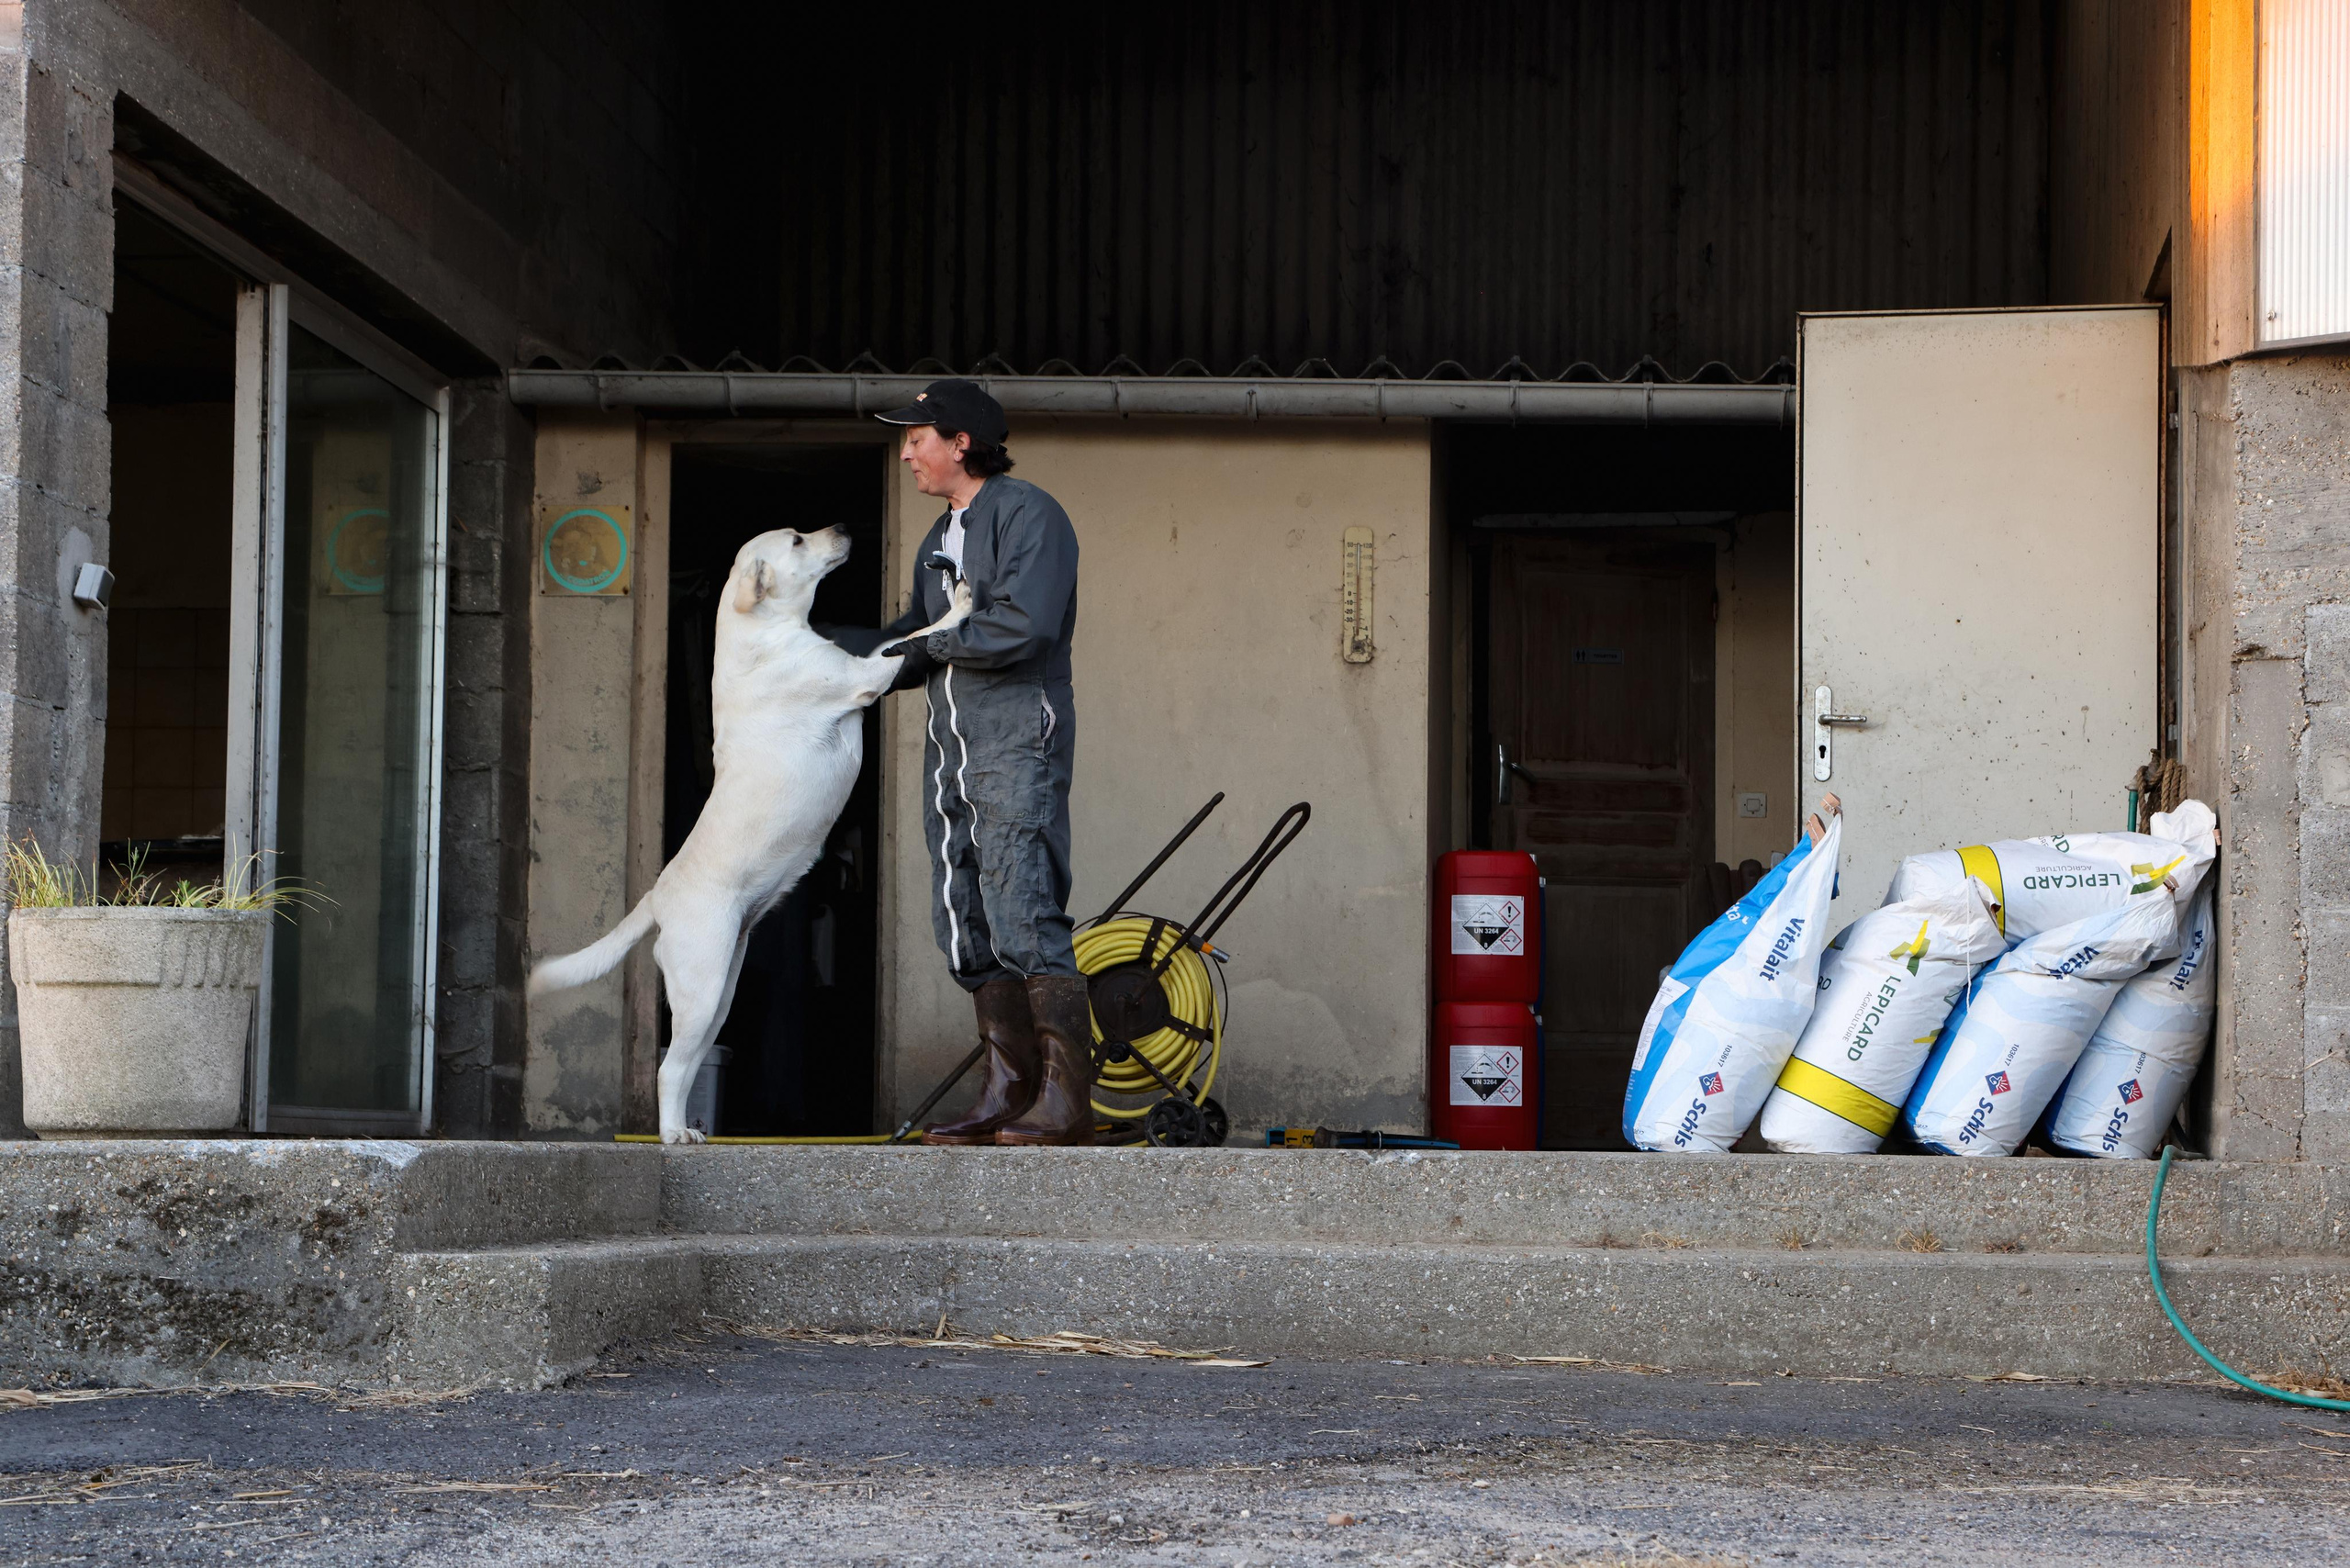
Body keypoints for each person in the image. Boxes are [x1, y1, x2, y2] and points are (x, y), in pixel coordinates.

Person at [869, 380, 1090, 1146]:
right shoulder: (943, 533)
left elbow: (1022, 626)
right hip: (952, 747)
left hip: (1015, 734)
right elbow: (917, 630)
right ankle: (1006, 1089)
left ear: (962, 440)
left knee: (1021, 900)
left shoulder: (1029, 513)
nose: (907, 453)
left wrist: (924, 646)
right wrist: (844, 666)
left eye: (918, 437)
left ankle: (1065, 1100)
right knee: (964, 913)